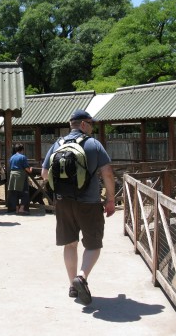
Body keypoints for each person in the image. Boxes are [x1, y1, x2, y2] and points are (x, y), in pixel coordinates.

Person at [41, 109, 116, 305]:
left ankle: (72, 286)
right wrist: (110, 199)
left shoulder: (58, 144)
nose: (92, 128)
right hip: (89, 203)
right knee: (93, 244)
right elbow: (107, 172)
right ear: (83, 124)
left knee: (70, 244)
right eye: (91, 124)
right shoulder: (93, 144)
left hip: (63, 202)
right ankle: (81, 277)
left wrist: (59, 190)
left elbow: (44, 173)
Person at [7, 143, 32, 214]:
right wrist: (30, 170)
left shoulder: (12, 157)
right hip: (20, 176)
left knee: (14, 193)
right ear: (22, 150)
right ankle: (22, 208)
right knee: (25, 192)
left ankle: (16, 208)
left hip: (12, 176)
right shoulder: (23, 157)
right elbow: (27, 168)